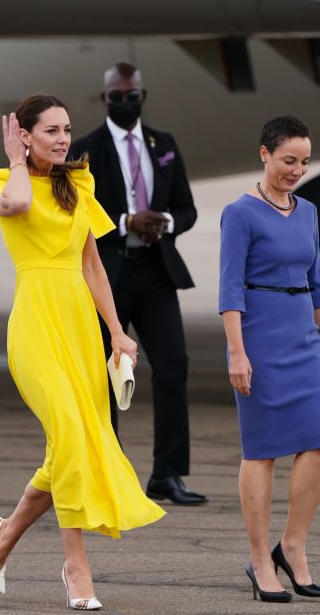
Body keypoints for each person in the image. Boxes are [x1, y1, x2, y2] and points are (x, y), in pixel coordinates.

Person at [0, 95, 164, 610]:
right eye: (51, 130)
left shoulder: (79, 183)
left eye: (66, 129)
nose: (63, 138)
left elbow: (93, 268)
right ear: (25, 135)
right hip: (35, 325)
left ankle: (6, 534)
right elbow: (15, 206)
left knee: (70, 444)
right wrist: (16, 162)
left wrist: (117, 332)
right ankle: (75, 568)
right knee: (68, 432)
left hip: (79, 324)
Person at [218, 115, 320, 602]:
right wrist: (237, 351)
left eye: (304, 162)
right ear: (265, 155)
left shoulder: (309, 211)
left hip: (302, 334)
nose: (297, 170)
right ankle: (259, 561)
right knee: (263, 450)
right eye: (289, 160)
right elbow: (230, 289)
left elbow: (318, 282)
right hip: (259, 334)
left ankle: (292, 546)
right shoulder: (240, 213)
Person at [69, 62, 207, 506]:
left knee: (173, 365)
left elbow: (186, 208)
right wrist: (127, 220)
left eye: (131, 95)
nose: (124, 102)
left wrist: (163, 222)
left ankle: (167, 475)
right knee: (105, 372)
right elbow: (76, 213)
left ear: (142, 96)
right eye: (116, 96)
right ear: (104, 98)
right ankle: (111, 472)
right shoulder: (86, 148)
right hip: (108, 273)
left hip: (155, 270)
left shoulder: (162, 144)